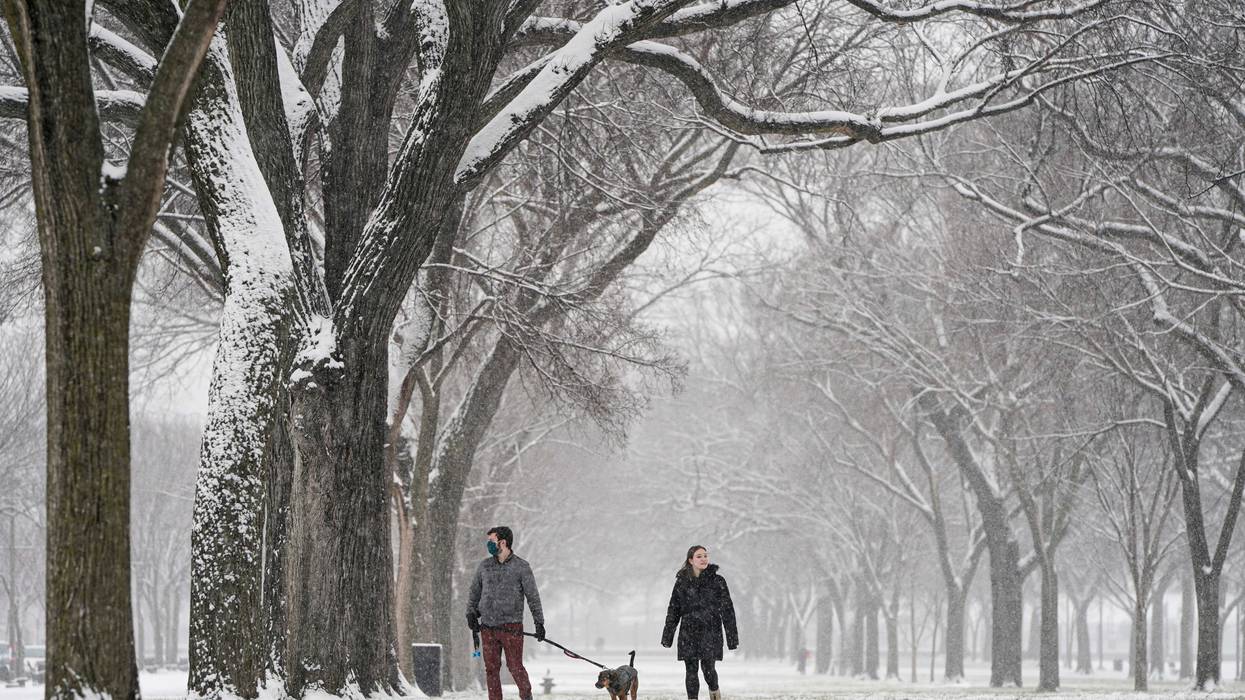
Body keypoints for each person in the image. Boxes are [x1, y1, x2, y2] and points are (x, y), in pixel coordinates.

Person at [466, 526, 545, 700]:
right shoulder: (484, 566)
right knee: (491, 669)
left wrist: (539, 622)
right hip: (488, 627)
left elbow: (533, 596)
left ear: (503, 542)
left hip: (512, 627)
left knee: (515, 666)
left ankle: (526, 696)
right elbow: (474, 592)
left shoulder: (521, 567)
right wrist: (470, 613)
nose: (488, 544)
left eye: (492, 541)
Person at [661, 545, 739, 700]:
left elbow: (728, 611)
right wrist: (667, 636)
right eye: (699, 556)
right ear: (691, 560)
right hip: (688, 633)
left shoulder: (717, 581)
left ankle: (715, 693)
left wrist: (732, 638)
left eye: (705, 555)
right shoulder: (682, 582)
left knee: (708, 671)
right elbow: (674, 610)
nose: (704, 559)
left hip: (711, 632)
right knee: (691, 671)